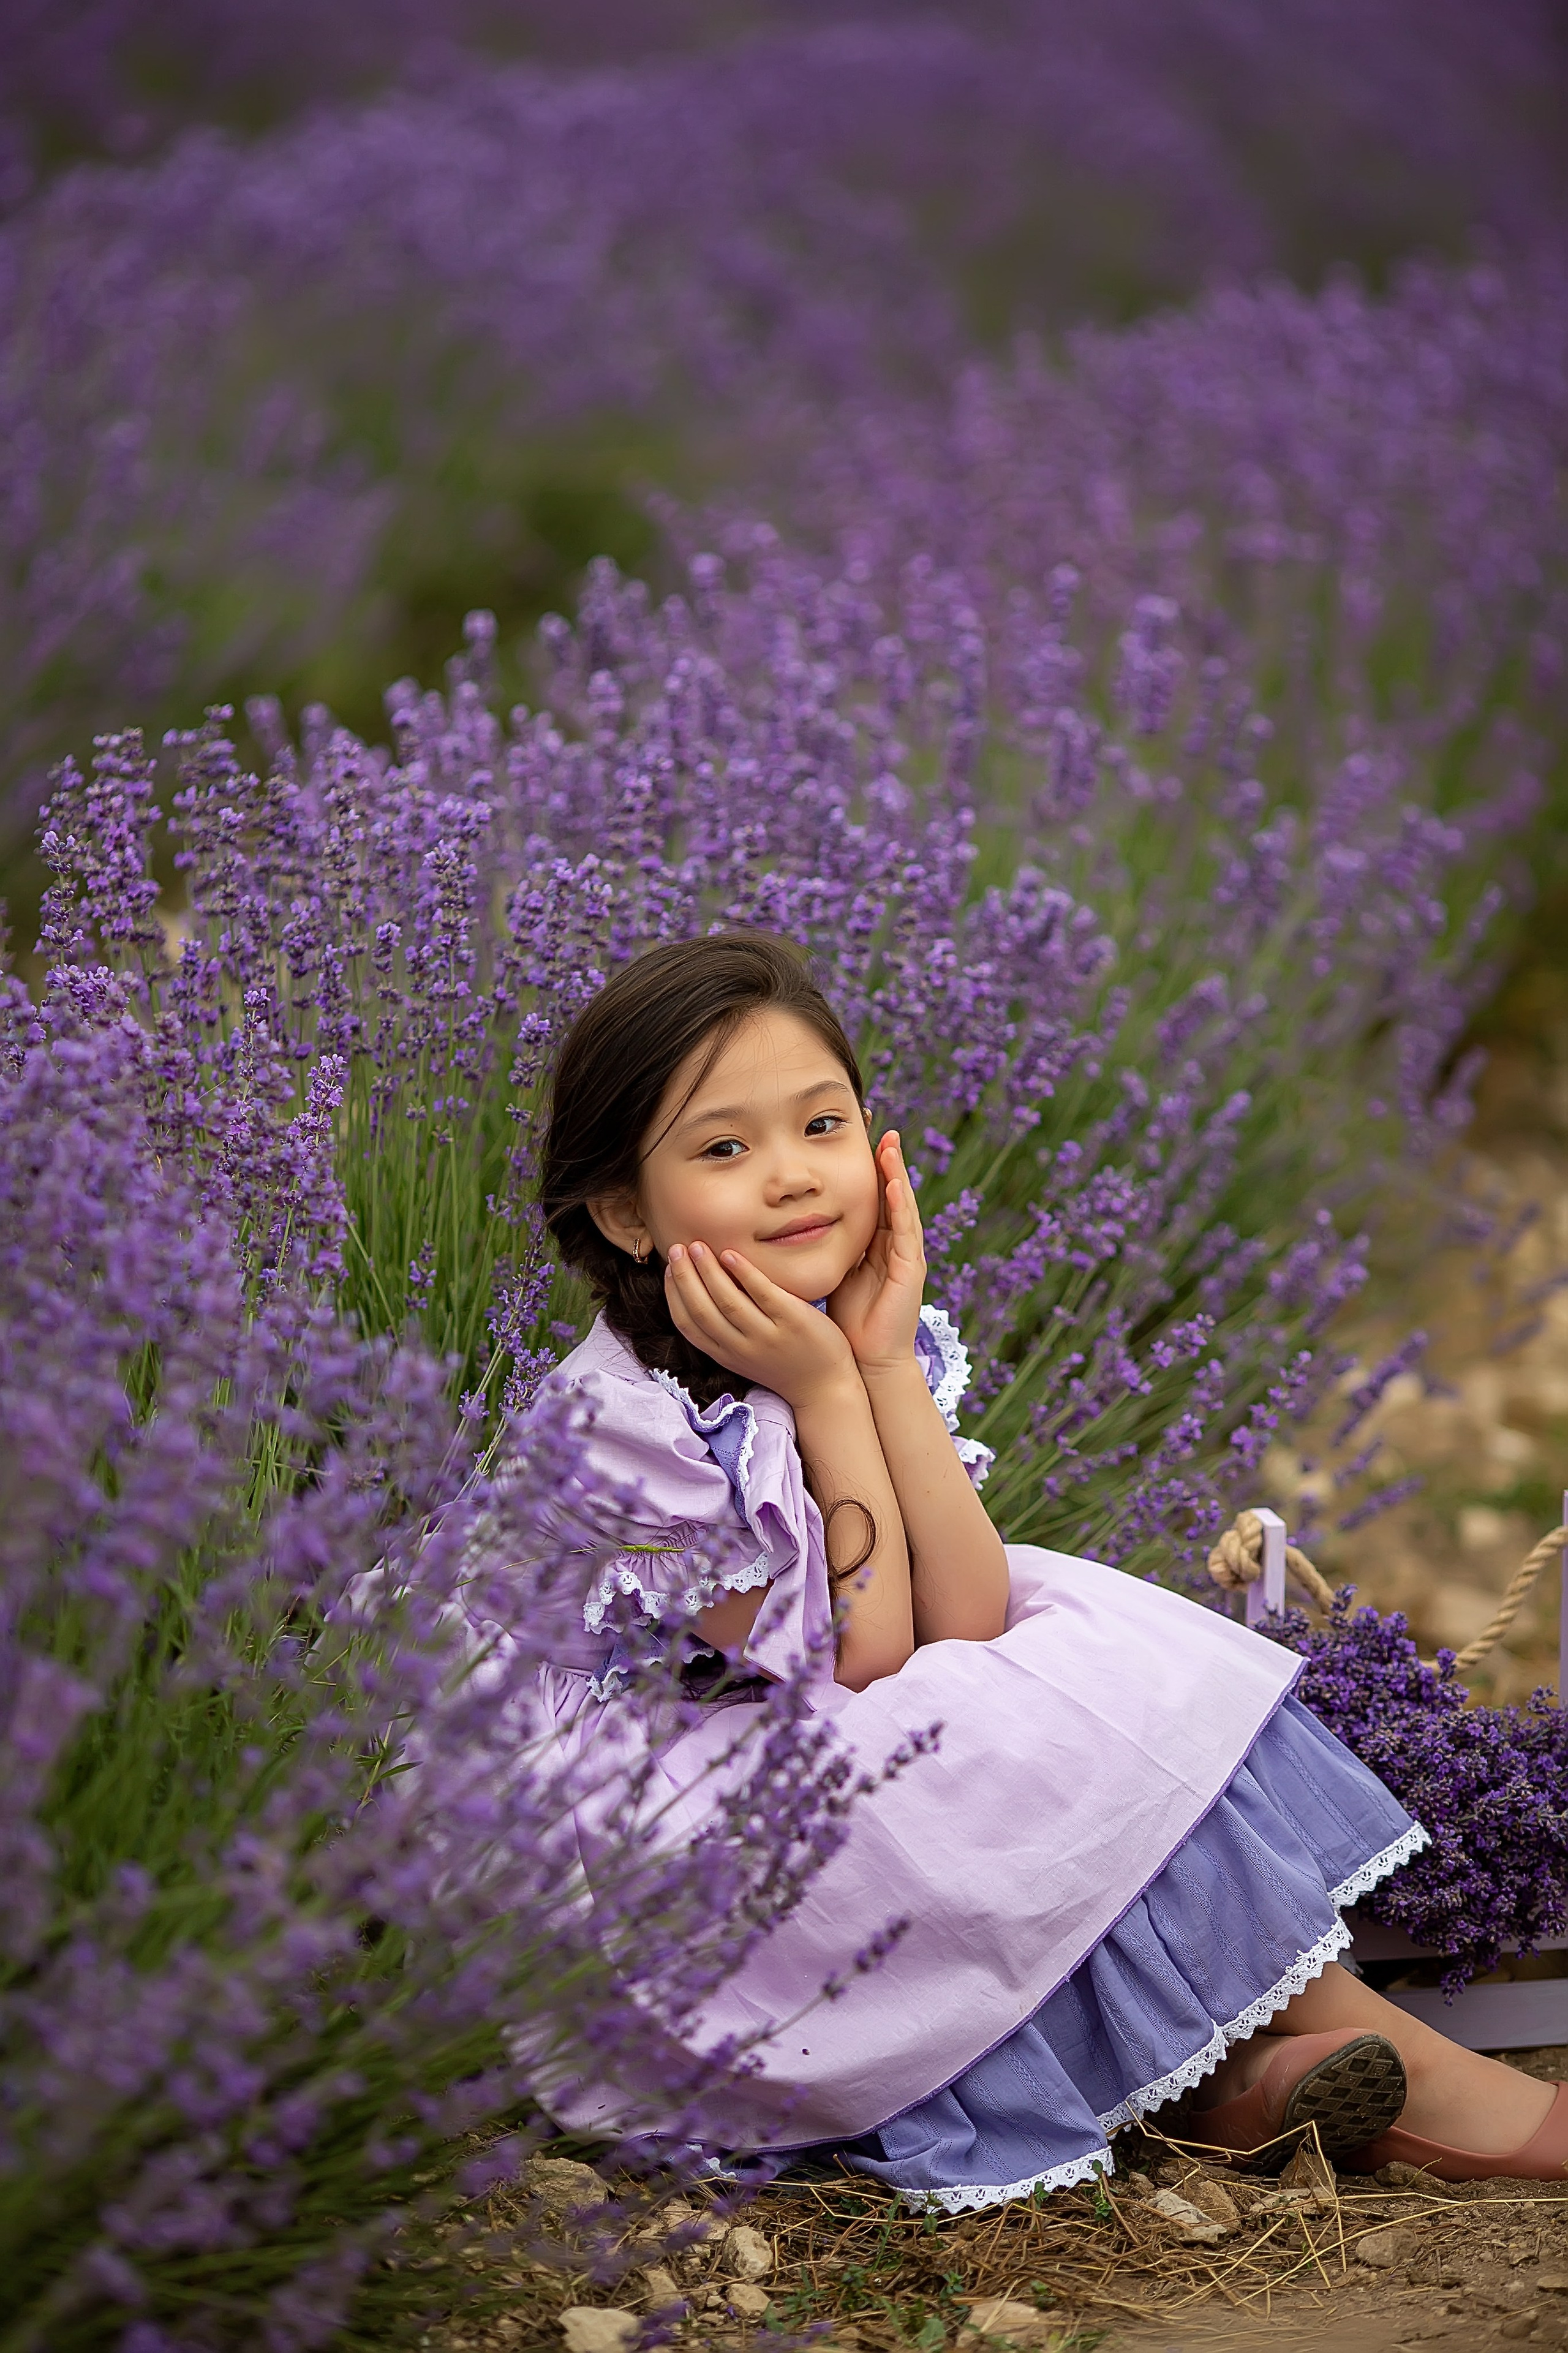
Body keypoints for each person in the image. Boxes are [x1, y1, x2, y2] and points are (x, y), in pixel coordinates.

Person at [513, 929, 1565, 2207]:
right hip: (666, 1862)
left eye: (822, 1124)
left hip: (807, 1747)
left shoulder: (833, 1345)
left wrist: (884, 1364)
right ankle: (1413, 2078)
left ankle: (1250, 2084)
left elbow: (962, 1616)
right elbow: (874, 1672)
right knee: (997, 1732)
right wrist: (831, 1393)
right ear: (625, 1210)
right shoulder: (633, 1439)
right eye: (724, 1148)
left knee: (1065, 1640)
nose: (790, 1177)